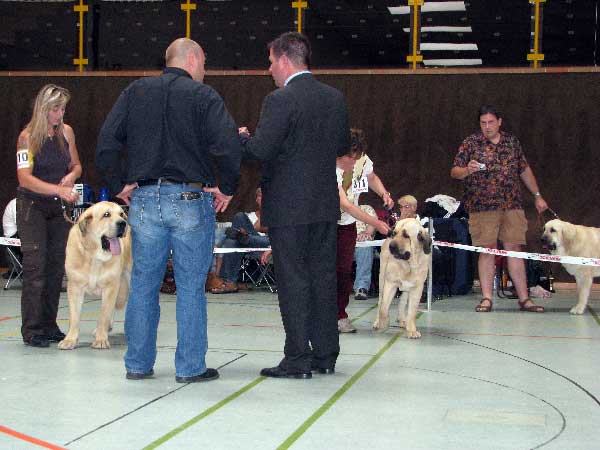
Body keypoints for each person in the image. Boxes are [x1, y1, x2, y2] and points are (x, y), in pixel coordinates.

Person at [96, 38, 241, 382]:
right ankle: (190, 367)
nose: (204, 69)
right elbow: (228, 145)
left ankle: (137, 364)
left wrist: (118, 184)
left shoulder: (135, 92)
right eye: (203, 61)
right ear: (191, 59)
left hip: (144, 199)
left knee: (144, 283)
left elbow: (107, 142)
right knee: (191, 286)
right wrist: (228, 187)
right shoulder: (204, 96)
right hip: (190, 198)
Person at [239, 32, 349, 378]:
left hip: (289, 207)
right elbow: (342, 145)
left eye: (271, 61)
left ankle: (298, 357)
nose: (269, 68)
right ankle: (326, 354)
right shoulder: (335, 98)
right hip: (324, 205)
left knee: (293, 282)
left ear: (285, 60)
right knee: (322, 278)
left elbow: (259, 151)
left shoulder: (280, 100)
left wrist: (242, 138)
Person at [451, 105, 548, 313]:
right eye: (483, 123)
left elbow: (524, 169)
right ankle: (487, 298)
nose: (487, 127)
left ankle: (524, 299)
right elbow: (454, 172)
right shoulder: (470, 143)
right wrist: (467, 170)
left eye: (491, 122)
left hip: (512, 205)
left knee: (515, 250)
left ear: (500, 122)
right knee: (487, 251)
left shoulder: (512, 142)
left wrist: (537, 195)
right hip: (481, 206)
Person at [16, 84, 82, 348]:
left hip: (57, 208)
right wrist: (59, 189)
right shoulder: (27, 137)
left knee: (56, 268)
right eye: (56, 108)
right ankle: (31, 330)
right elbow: (24, 178)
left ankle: (49, 324)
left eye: (63, 108)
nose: (60, 114)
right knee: (36, 268)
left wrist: (71, 176)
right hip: (32, 207)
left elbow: (77, 165)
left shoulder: (67, 133)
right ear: (43, 109)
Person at [336, 129, 392, 333]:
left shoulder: (360, 159)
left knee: (343, 271)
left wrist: (384, 193)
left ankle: (340, 316)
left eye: (356, 157)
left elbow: (371, 177)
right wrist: (376, 223)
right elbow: (346, 204)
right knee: (324, 271)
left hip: (348, 224)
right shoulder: (327, 166)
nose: (354, 162)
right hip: (325, 224)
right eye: (350, 158)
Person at [211, 187, 270, 294]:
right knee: (232, 239)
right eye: (260, 196)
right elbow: (257, 226)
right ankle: (229, 283)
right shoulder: (249, 216)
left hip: (269, 245)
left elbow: (264, 228)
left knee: (235, 237)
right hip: (249, 248)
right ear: (256, 199)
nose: (263, 199)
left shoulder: (277, 213)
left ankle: (226, 281)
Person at [353, 204, 377, 301]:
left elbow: (373, 223)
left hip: (360, 244)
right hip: (342, 243)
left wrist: (366, 233)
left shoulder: (366, 208)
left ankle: (361, 287)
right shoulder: (337, 208)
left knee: (366, 244)